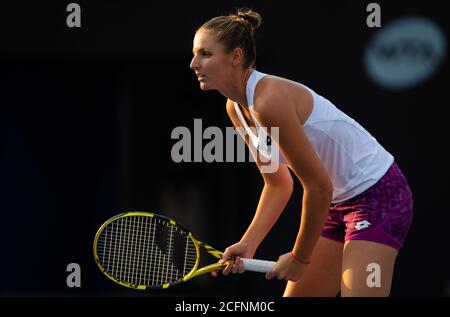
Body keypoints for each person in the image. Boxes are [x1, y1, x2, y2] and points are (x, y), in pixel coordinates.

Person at [189, 8, 413, 297]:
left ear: (235, 56)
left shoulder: (268, 101)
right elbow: (278, 183)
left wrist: (299, 258)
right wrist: (249, 242)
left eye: (205, 54)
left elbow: (319, 186)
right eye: (195, 54)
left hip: (379, 196)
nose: (194, 63)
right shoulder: (235, 109)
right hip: (336, 204)